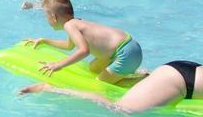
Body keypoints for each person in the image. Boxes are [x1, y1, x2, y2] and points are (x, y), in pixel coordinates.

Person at [25, 0, 145, 85]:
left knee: (100, 83)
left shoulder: (69, 26)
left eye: (46, 17)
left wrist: (58, 65)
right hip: (129, 46)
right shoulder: (76, 22)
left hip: (125, 54)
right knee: (93, 69)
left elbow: (84, 51)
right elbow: (69, 46)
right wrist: (44, 40)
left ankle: (143, 80)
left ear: (53, 17)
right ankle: (132, 72)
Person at [19, 61, 202, 114]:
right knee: (121, 109)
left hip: (186, 70)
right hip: (178, 80)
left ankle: (144, 76)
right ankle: (48, 88)